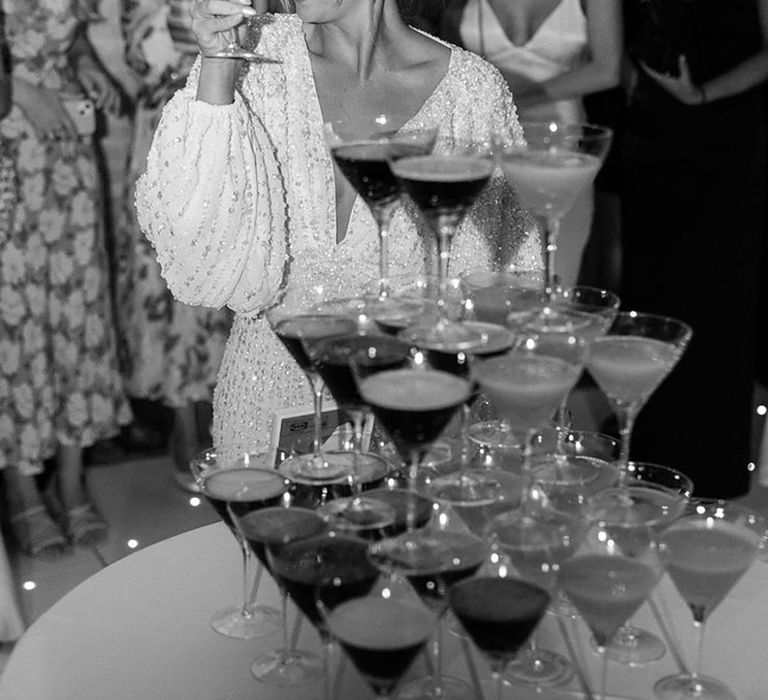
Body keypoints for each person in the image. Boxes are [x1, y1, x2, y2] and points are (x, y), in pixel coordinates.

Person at [135, 0, 540, 466]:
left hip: (407, 409)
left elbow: (498, 293)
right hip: (265, 405)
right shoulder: (255, 55)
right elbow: (202, 263)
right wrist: (217, 65)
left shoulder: (472, 92)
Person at [620, 0, 768, 498]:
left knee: (717, 304)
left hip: (727, 137)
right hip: (654, 133)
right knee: (652, 295)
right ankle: (645, 463)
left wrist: (701, 95)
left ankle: (710, 472)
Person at [0, 0, 131, 557]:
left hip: (65, 153)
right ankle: (21, 488)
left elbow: (68, 36)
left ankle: (71, 479)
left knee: (78, 311)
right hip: (8, 153)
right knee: (13, 320)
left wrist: (88, 67)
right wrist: (23, 91)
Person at [117, 0, 233, 491]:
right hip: (164, 134)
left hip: (228, 123)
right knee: (165, 276)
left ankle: (226, 409)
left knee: (227, 263)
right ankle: (184, 419)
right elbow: (143, 54)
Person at [442, 0, 621, 287]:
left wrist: (513, 99)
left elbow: (608, 70)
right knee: (481, 270)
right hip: (486, 141)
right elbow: (445, 58)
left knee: (554, 268)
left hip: (560, 144)